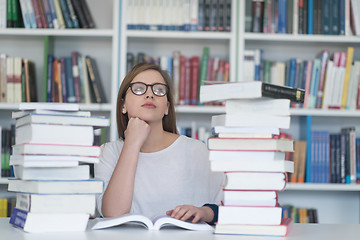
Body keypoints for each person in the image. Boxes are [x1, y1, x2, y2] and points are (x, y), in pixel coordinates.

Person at [95, 62, 225, 225]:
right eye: (139, 88)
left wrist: (205, 212)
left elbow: (231, 206)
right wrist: (132, 144)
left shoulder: (197, 150)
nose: (150, 95)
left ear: (167, 108)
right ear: (123, 106)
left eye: (159, 90)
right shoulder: (108, 152)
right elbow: (113, 214)